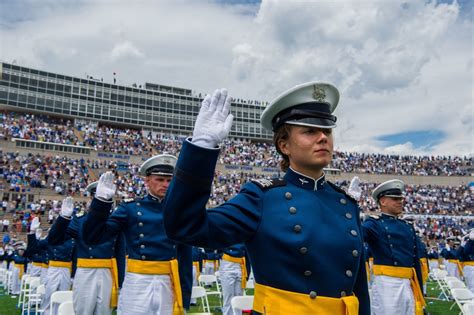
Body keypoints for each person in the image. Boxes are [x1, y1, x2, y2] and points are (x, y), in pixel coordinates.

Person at [163, 83, 370, 314]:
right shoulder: (262, 197)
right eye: (309, 131)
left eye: (327, 131)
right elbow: (184, 226)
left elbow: (358, 290)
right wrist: (201, 149)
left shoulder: (346, 203)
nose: (323, 137)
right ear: (284, 145)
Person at [82, 156, 192, 315]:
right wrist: (101, 203)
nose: (165, 185)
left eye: (169, 180)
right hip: (138, 280)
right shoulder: (130, 209)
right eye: (159, 179)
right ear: (147, 180)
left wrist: (185, 292)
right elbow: (93, 237)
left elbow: (185, 253)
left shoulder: (179, 212)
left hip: (169, 280)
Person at [47, 181, 126, 315]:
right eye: (97, 196)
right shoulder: (80, 220)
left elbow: (120, 251)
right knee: (83, 310)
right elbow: (55, 239)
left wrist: (121, 282)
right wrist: (63, 219)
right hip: (85, 269)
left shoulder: (115, 219)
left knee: (104, 311)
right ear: (91, 198)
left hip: (108, 271)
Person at [362, 179, 425, 315]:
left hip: (408, 283)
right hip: (387, 284)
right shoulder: (374, 224)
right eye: (395, 199)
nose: (400, 201)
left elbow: (415, 261)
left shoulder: (407, 226)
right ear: (383, 202)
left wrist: (420, 290)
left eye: (401, 198)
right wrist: (351, 207)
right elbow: (355, 236)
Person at [27, 199, 76, 315]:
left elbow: (75, 257)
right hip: (53, 269)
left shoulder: (73, 239)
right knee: (50, 297)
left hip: (67, 270)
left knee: (64, 298)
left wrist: (73, 274)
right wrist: (32, 233)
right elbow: (32, 250)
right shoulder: (51, 238)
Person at [219, 243, 250, 315]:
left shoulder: (244, 236)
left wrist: (247, 272)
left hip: (240, 266)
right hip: (228, 264)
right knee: (228, 296)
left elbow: (247, 254)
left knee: (239, 296)